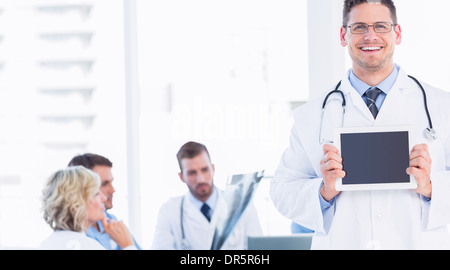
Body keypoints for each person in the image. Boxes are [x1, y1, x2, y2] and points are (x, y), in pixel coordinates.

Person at [270, 0, 450, 250]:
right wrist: (324, 190)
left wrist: (431, 186)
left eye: (380, 26)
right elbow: (281, 190)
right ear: (343, 35)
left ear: (397, 34)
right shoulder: (312, 115)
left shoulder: (442, 106)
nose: (370, 35)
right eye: (358, 27)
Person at [152, 141, 263, 250]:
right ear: (181, 177)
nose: (200, 179)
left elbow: (259, 253)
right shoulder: (169, 211)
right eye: (192, 173)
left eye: (204, 170)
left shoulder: (242, 204)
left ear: (213, 169)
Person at [68, 153, 141, 250]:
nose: (113, 190)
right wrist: (127, 245)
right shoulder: (73, 235)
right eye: (104, 184)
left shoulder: (112, 221)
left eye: (111, 182)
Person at [39, 166, 107, 249]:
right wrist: (127, 245)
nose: (104, 198)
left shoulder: (46, 245)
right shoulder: (89, 246)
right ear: (76, 202)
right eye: (96, 194)